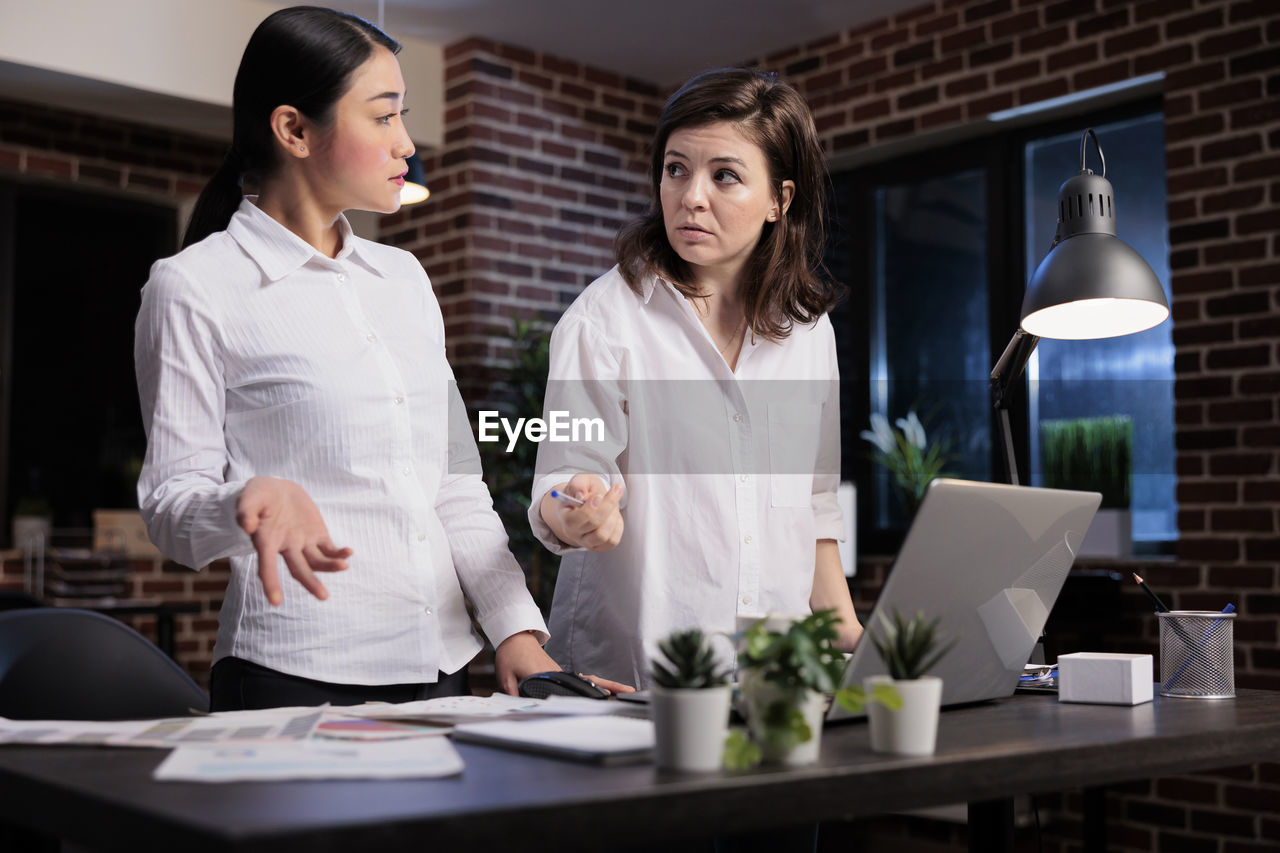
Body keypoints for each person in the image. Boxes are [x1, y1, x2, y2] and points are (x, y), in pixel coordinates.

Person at [134, 7, 616, 711]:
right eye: (384, 117)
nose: (407, 144)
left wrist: (515, 628)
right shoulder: (193, 288)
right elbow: (169, 508)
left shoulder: (406, 281)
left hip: (442, 672)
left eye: (403, 117)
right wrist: (243, 503)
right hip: (292, 680)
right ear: (294, 129)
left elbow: (454, 485)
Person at [529, 67, 863, 689]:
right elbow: (562, 476)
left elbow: (813, 503)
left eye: (725, 176)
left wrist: (847, 629)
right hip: (632, 675)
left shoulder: (810, 333)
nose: (691, 196)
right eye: (676, 169)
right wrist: (573, 509)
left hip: (774, 677)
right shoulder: (603, 320)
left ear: (779, 200)